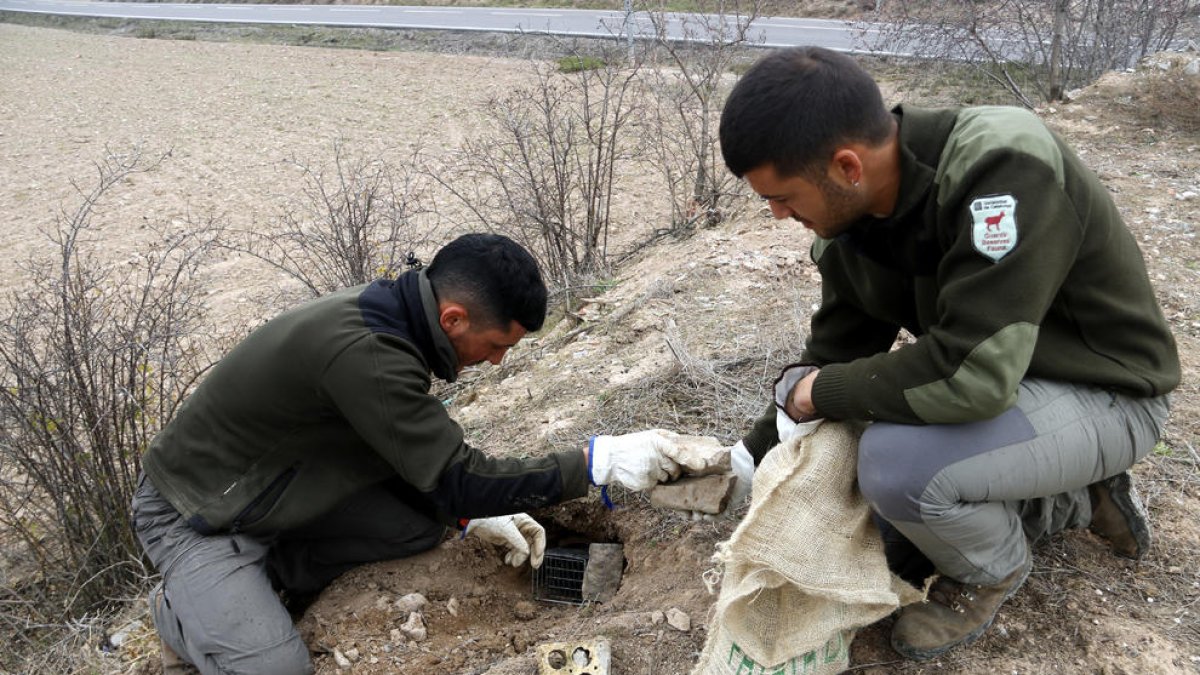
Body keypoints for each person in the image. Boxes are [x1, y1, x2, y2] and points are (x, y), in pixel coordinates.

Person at [714, 47, 1179, 661]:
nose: (778, 215)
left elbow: (971, 378)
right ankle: (1069, 495)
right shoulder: (851, 221)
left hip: (1108, 395)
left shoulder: (1003, 169)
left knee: (898, 467)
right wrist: (747, 461)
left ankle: (994, 570)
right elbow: (837, 349)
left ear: (847, 165)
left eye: (783, 196)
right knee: (871, 527)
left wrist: (820, 390)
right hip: (1018, 390)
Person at [132, 233, 689, 674]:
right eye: (496, 346)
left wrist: (467, 513)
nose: (495, 362)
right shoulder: (369, 351)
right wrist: (596, 463)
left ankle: (258, 583)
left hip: (276, 493)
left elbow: (406, 458)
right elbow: (457, 476)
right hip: (196, 513)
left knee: (416, 529)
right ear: (453, 319)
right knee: (276, 668)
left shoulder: (391, 320)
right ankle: (180, 615)